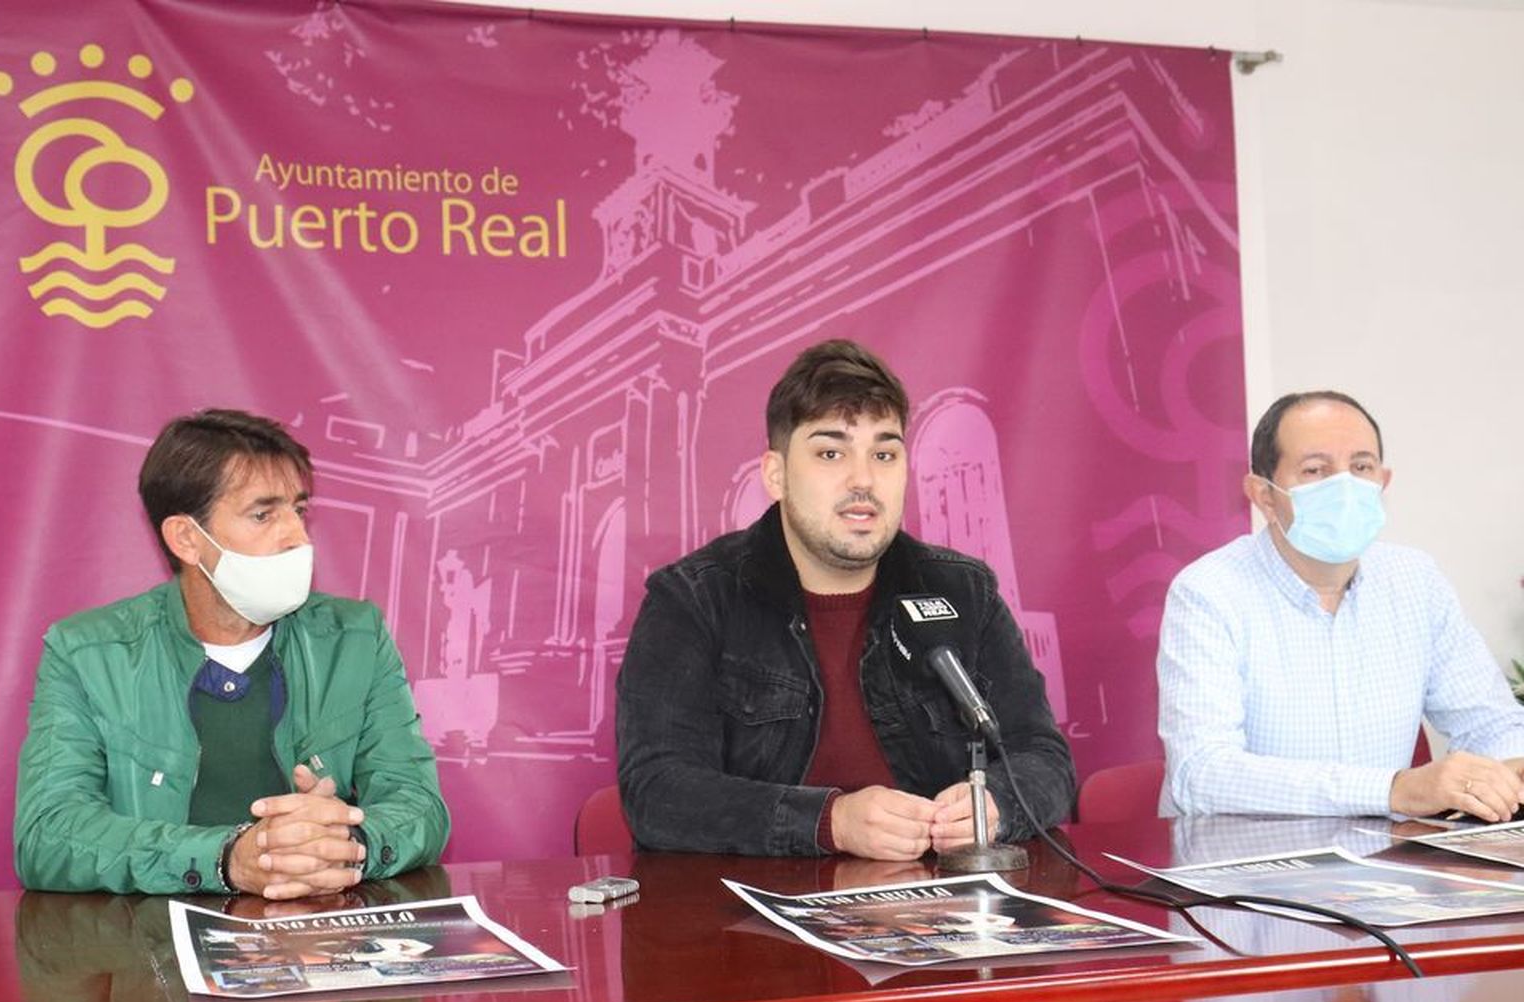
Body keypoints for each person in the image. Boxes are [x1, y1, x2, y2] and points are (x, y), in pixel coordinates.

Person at [616, 340, 1074, 859]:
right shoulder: (693, 599)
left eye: (884, 453)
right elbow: (657, 792)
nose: (863, 480)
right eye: (831, 453)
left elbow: (1044, 759)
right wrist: (830, 822)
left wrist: (995, 806)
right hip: (748, 923)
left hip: (939, 915)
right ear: (776, 475)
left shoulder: (963, 592)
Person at [14, 409, 450, 897]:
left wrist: (346, 841)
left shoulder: (356, 638)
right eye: (264, 515)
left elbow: (420, 805)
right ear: (186, 539)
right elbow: (48, 834)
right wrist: (227, 858)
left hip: (316, 947)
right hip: (150, 954)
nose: (297, 537)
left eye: (299, 510)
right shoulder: (87, 653)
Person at [1158, 390, 1524, 820]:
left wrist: (1508, 767)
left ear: (1383, 483)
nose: (1345, 487)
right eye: (1316, 470)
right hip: (1244, 867)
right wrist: (1391, 790)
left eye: (1361, 467)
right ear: (1264, 495)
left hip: (1389, 868)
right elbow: (1202, 774)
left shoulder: (1416, 580)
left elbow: (1491, 723)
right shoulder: (1209, 592)